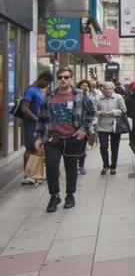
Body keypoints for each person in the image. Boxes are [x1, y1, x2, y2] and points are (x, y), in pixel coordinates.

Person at [34, 66, 96, 212]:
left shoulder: (80, 94)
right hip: (53, 139)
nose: (63, 79)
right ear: (57, 78)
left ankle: (70, 195)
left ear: (71, 79)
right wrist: (38, 138)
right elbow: (41, 119)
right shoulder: (49, 97)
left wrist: (83, 129)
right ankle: (54, 196)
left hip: (73, 138)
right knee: (51, 167)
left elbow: (92, 112)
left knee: (71, 168)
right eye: (60, 77)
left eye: (66, 77)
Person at [20, 71, 53, 185]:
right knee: (30, 149)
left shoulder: (38, 90)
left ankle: (35, 174)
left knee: (36, 149)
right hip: (31, 125)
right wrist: (37, 120)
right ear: (42, 79)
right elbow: (24, 108)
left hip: (37, 125)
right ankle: (28, 176)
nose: (47, 85)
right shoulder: (30, 90)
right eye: (47, 83)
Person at [95, 82, 127, 175]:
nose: (108, 90)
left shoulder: (118, 97)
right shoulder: (98, 98)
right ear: (103, 89)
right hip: (102, 126)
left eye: (110, 88)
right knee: (103, 147)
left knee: (115, 147)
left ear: (113, 89)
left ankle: (113, 166)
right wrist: (101, 113)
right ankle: (105, 165)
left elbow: (124, 110)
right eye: (106, 88)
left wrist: (113, 112)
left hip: (115, 126)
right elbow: (94, 111)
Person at [76, 80, 96, 174]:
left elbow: (93, 110)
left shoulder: (89, 96)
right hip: (74, 126)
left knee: (82, 147)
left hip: (85, 125)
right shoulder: (75, 96)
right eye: (82, 85)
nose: (83, 87)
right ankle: (75, 164)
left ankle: (81, 165)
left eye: (85, 85)